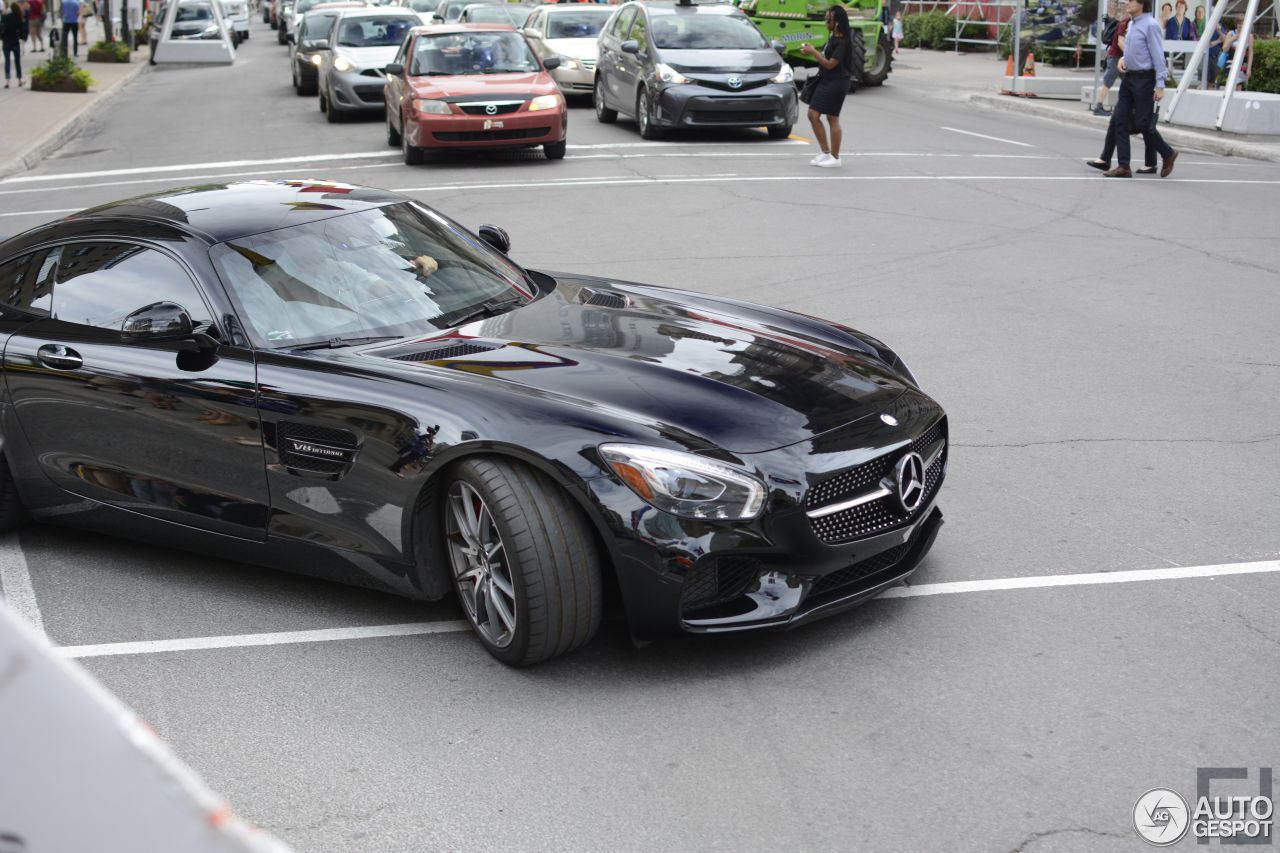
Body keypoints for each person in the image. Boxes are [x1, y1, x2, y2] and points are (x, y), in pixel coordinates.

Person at [1106, 0, 1177, 178]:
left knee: (1143, 123)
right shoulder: (1132, 23)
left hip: (1145, 79)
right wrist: (1123, 60)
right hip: (1129, 78)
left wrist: (1160, 85)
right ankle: (1123, 166)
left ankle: (1168, 153)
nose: (1127, 3)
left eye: (1131, 0)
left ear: (1142, 3)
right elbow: (1131, 50)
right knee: (1120, 121)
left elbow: (1158, 55)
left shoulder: (1151, 25)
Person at [799, 6, 855, 169]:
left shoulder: (843, 42)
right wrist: (810, 50)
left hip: (837, 82)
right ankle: (825, 152)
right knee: (813, 114)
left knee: (832, 118)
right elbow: (825, 58)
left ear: (836, 23)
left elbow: (830, 64)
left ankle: (835, 157)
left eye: (828, 19)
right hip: (826, 79)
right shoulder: (832, 38)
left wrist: (813, 52)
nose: (825, 22)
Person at [1092, 3, 1127, 116]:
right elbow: (1120, 42)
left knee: (1128, 82)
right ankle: (1098, 106)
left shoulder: (1127, 22)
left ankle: (1125, 108)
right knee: (1108, 83)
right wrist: (1129, 54)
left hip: (1119, 58)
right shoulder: (1124, 23)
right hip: (1116, 58)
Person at [1, 0, 25, 86]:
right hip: (15, 41)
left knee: (7, 61)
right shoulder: (18, 18)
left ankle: (8, 80)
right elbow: (22, 31)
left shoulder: (5, 17)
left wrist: (2, 37)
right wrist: (22, 38)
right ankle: (19, 79)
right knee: (17, 61)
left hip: (6, 41)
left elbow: (1, 29)